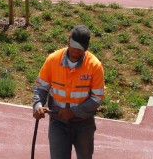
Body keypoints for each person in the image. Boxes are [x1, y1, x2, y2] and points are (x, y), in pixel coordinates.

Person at [33, 25, 105, 159]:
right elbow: (41, 87)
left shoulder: (94, 66)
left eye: (80, 49)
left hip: (84, 124)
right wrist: (37, 105)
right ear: (68, 41)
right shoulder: (53, 60)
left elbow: (97, 98)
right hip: (58, 122)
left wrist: (74, 111)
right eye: (74, 47)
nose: (76, 52)